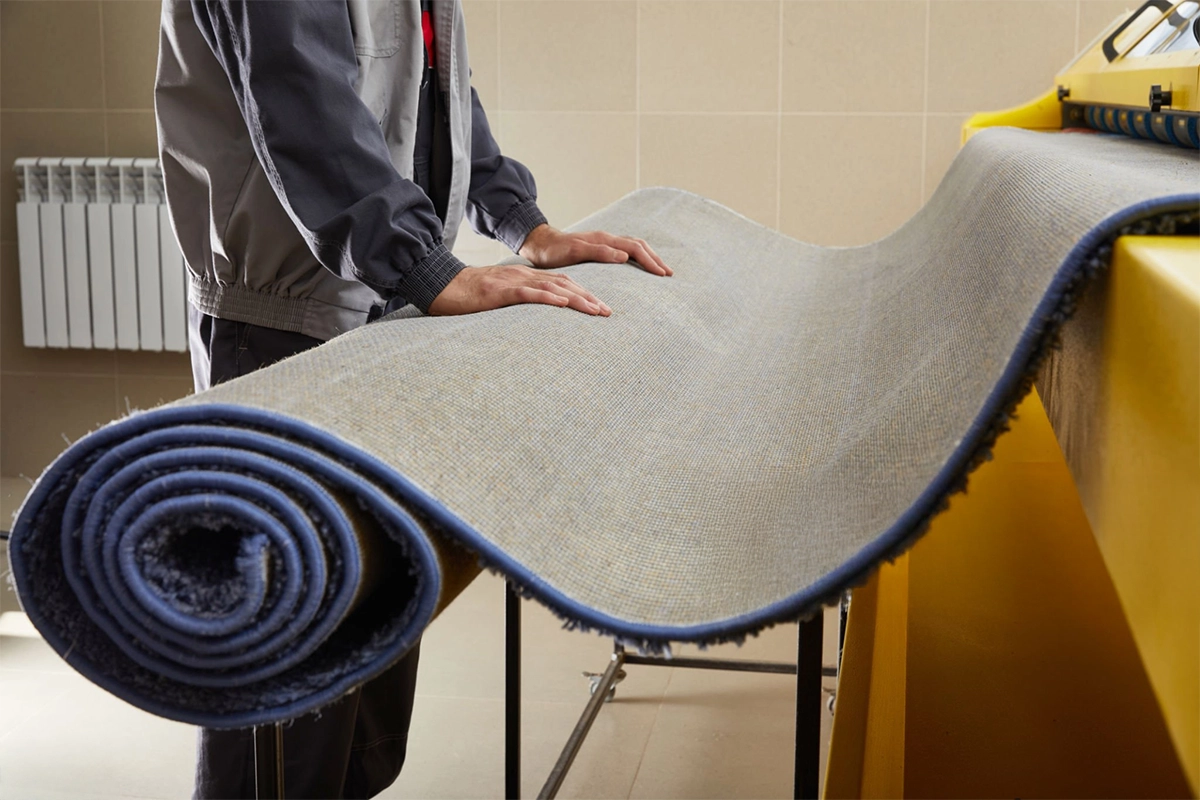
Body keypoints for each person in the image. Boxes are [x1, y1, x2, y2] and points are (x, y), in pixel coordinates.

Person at [154, 1, 671, 797]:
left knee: (368, 681)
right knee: (286, 689)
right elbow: (300, 96)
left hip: (381, 303)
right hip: (282, 325)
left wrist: (519, 221)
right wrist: (425, 268)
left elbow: (439, 87)